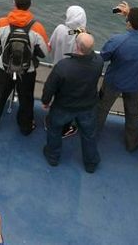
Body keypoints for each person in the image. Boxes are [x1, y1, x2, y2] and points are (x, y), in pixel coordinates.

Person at [0, 0, 49, 135]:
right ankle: (25, 127)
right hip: (27, 70)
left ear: (14, 3)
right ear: (30, 4)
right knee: (26, 99)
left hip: (4, 67)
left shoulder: (2, 23)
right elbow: (44, 53)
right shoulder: (37, 28)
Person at [95, 1, 138, 152]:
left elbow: (104, 56)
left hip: (114, 81)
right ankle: (131, 142)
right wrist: (130, 15)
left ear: (128, 23)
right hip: (136, 82)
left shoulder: (117, 40)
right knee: (133, 114)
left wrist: (129, 16)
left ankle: (93, 134)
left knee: (101, 110)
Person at [41, 33, 104, 173]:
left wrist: (46, 101)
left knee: (54, 130)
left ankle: (53, 157)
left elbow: (50, 86)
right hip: (88, 106)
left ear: (76, 46)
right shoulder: (99, 62)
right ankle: (91, 163)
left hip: (64, 106)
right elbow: (92, 55)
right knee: (89, 135)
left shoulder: (64, 66)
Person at [46, 5, 88, 138]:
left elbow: (50, 46)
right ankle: (65, 128)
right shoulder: (82, 35)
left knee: (55, 97)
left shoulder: (60, 29)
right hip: (74, 74)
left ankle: (50, 122)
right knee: (68, 101)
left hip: (57, 69)